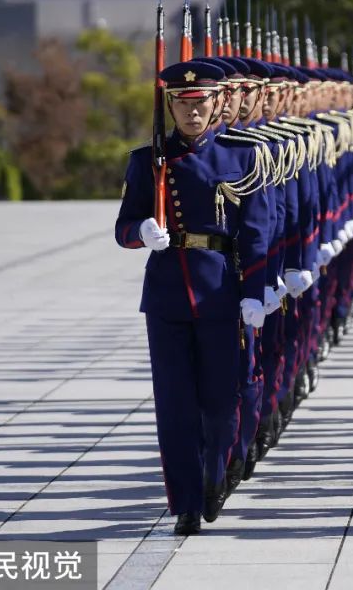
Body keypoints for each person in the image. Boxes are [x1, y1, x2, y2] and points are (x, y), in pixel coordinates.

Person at [115, 60, 272, 535]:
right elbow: (124, 228)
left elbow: (257, 231)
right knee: (175, 405)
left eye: (199, 102)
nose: (191, 112)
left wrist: (255, 292)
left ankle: (214, 473)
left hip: (220, 290)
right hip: (166, 294)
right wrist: (142, 232)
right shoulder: (149, 160)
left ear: (216, 102)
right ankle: (184, 503)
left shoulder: (242, 157)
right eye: (182, 104)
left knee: (221, 402)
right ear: (170, 106)